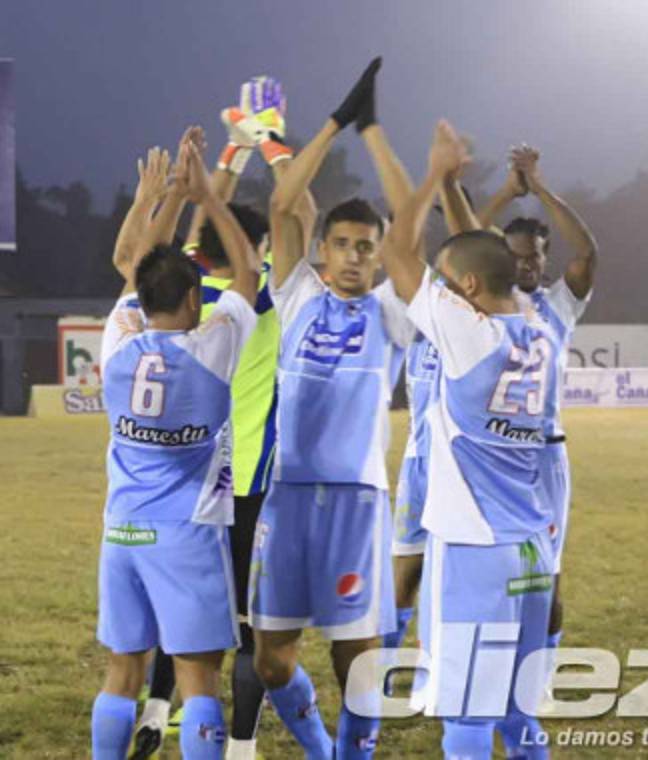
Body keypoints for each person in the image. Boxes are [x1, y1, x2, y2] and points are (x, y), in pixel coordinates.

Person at [123, 77, 312, 760]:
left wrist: (222, 164)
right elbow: (293, 214)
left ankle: (153, 709)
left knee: (187, 606)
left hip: (182, 479)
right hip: (248, 481)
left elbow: (200, 234)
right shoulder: (259, 301)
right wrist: (263, 138)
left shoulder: (190, 293)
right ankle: (238, 746)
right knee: (245, 622)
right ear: (255, 253)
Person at [248, 57, 411, 760]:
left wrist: (372, 131)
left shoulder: (392, 311)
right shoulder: (298, 295)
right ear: (321, 251)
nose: (352, 257)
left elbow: (411, 217)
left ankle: (353, 756)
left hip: (357, 499)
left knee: (358, 656)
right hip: (286, 496)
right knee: (270, 660)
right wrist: (335, 121)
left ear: (378, 258)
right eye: (341, 245)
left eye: (365, 249)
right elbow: (284, 202)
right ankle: (319, 748)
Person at [383, 119, 560, 760]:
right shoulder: (541, 330)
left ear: (465, 290)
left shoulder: (469, 336)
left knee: (463, 716)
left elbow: (396, 255)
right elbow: (471, 255)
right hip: (532, 550)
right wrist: (461, 191)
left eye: (447, 277)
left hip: (473, 553)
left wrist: (432, 176)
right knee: (518, 716)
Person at [91, 135, 260, 759]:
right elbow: (246, 271)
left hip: (122, 531)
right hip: (187, 534)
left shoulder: (118, 340)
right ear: (194, 299)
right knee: (198, 680)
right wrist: (210, 199)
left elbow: (134, 262)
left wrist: (151, 199)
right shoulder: (212, 349)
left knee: (122, 672)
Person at [450, 144, 598, 684]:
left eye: (536, 255)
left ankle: (536, 678)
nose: (527, 264)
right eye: (515, 256)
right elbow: (456, 251)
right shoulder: (480, 303)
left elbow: (588, 254)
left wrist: (540, 188)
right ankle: (477, 672)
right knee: (487, 575)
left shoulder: (559, 303)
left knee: (548, 578)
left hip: (545, 460)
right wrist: (504, 195)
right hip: (488, 457)